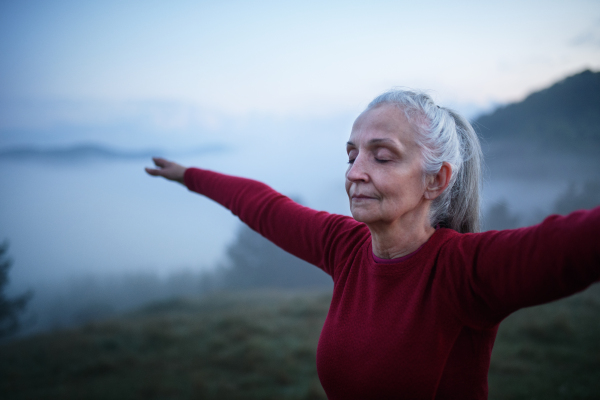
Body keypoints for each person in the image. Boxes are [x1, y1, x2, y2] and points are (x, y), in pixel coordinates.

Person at [145, 89, 600, 399]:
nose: (354, 172)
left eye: (381, 156)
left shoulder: (465, 272)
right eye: (352, 155)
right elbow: (264, 206)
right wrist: (189, 176)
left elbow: (577, 244)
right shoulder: (345, 247)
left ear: (437, 180)